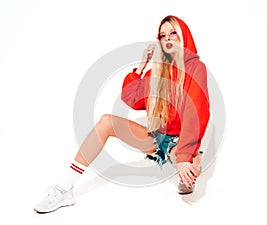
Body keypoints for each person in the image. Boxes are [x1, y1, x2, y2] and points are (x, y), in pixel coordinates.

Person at [34, 15, 210, 213]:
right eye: (162, 36)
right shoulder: (157, 72)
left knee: (186, 167)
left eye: (173, 33)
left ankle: (194, 159)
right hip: (158, 138)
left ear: (184, 36)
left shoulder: (196, 68)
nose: (167, 39)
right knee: (106, 122)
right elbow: (133, 100)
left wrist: (184, 156)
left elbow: (196, 113)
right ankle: (64, 188)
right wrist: (142, 66)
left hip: (181, 141)